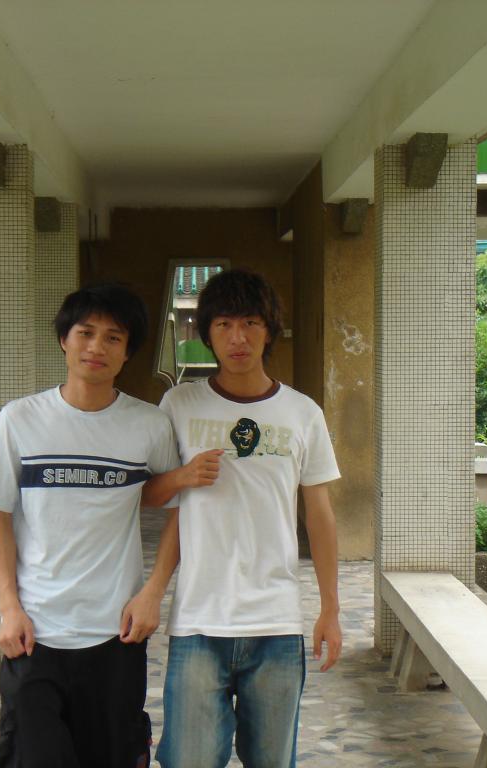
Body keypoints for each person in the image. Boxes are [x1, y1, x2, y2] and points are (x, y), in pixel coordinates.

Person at [133, 268, 343, 768]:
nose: (238, 337)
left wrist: (331, 610)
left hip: (276, 621)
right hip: (198, 622)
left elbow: (320, 515)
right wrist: (182, 478)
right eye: (224, 324)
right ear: (207, 333)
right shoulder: (180, 404)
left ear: (269, 330)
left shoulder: (303, 413)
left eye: (250, 323)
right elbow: (151, 496)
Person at [0, 283, 181, 768]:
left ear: (128, 352)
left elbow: (178, 507)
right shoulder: (19, 419)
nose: (96, 347)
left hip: (115, 635)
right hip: (34, 635)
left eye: (113, 337)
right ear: (64, 340)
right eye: (85, 333)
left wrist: (153, 592)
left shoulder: (149, 425)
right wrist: (8, 608)